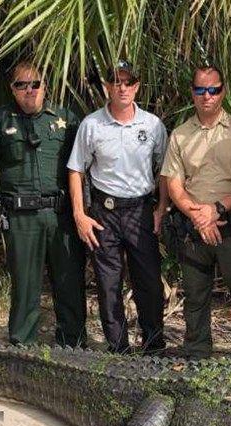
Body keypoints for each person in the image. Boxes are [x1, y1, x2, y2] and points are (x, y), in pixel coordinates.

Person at [0, 61, 86, 347]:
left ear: (45, 87)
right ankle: (23, 347)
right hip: (21, 219)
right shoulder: (1, 121)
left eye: (35, 83)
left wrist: (82, 212)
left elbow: (82, 167)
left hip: (62, 217)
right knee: (24, 286)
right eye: (21, 85)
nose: (29, 90)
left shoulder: (66, 119)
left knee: (70, 283)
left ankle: (73, 347)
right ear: (12, 89)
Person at [161, 65, 231, 358]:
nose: (207, 96)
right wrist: (197, 215)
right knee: (195, 297)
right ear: (192, 93)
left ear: (223, 91)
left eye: (213, 89)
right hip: (194, 229)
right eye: (200, 90)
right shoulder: (180, 135)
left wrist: (217, 209)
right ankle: (197, 357)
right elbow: (174, 185)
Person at [67, 60, 169, 354]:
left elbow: (164, 170)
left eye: (129, 82)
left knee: (148, 282)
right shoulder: (92, 125)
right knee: (109, 284)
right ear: (107, 87)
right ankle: (118, 350)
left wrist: (161, 208)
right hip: (104, 214)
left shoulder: (152, 125)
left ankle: (154, 348)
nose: (122, 87)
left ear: (137, 86)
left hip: (141, 212)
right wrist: (79, 215)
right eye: (116, 82)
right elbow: (76, 170)